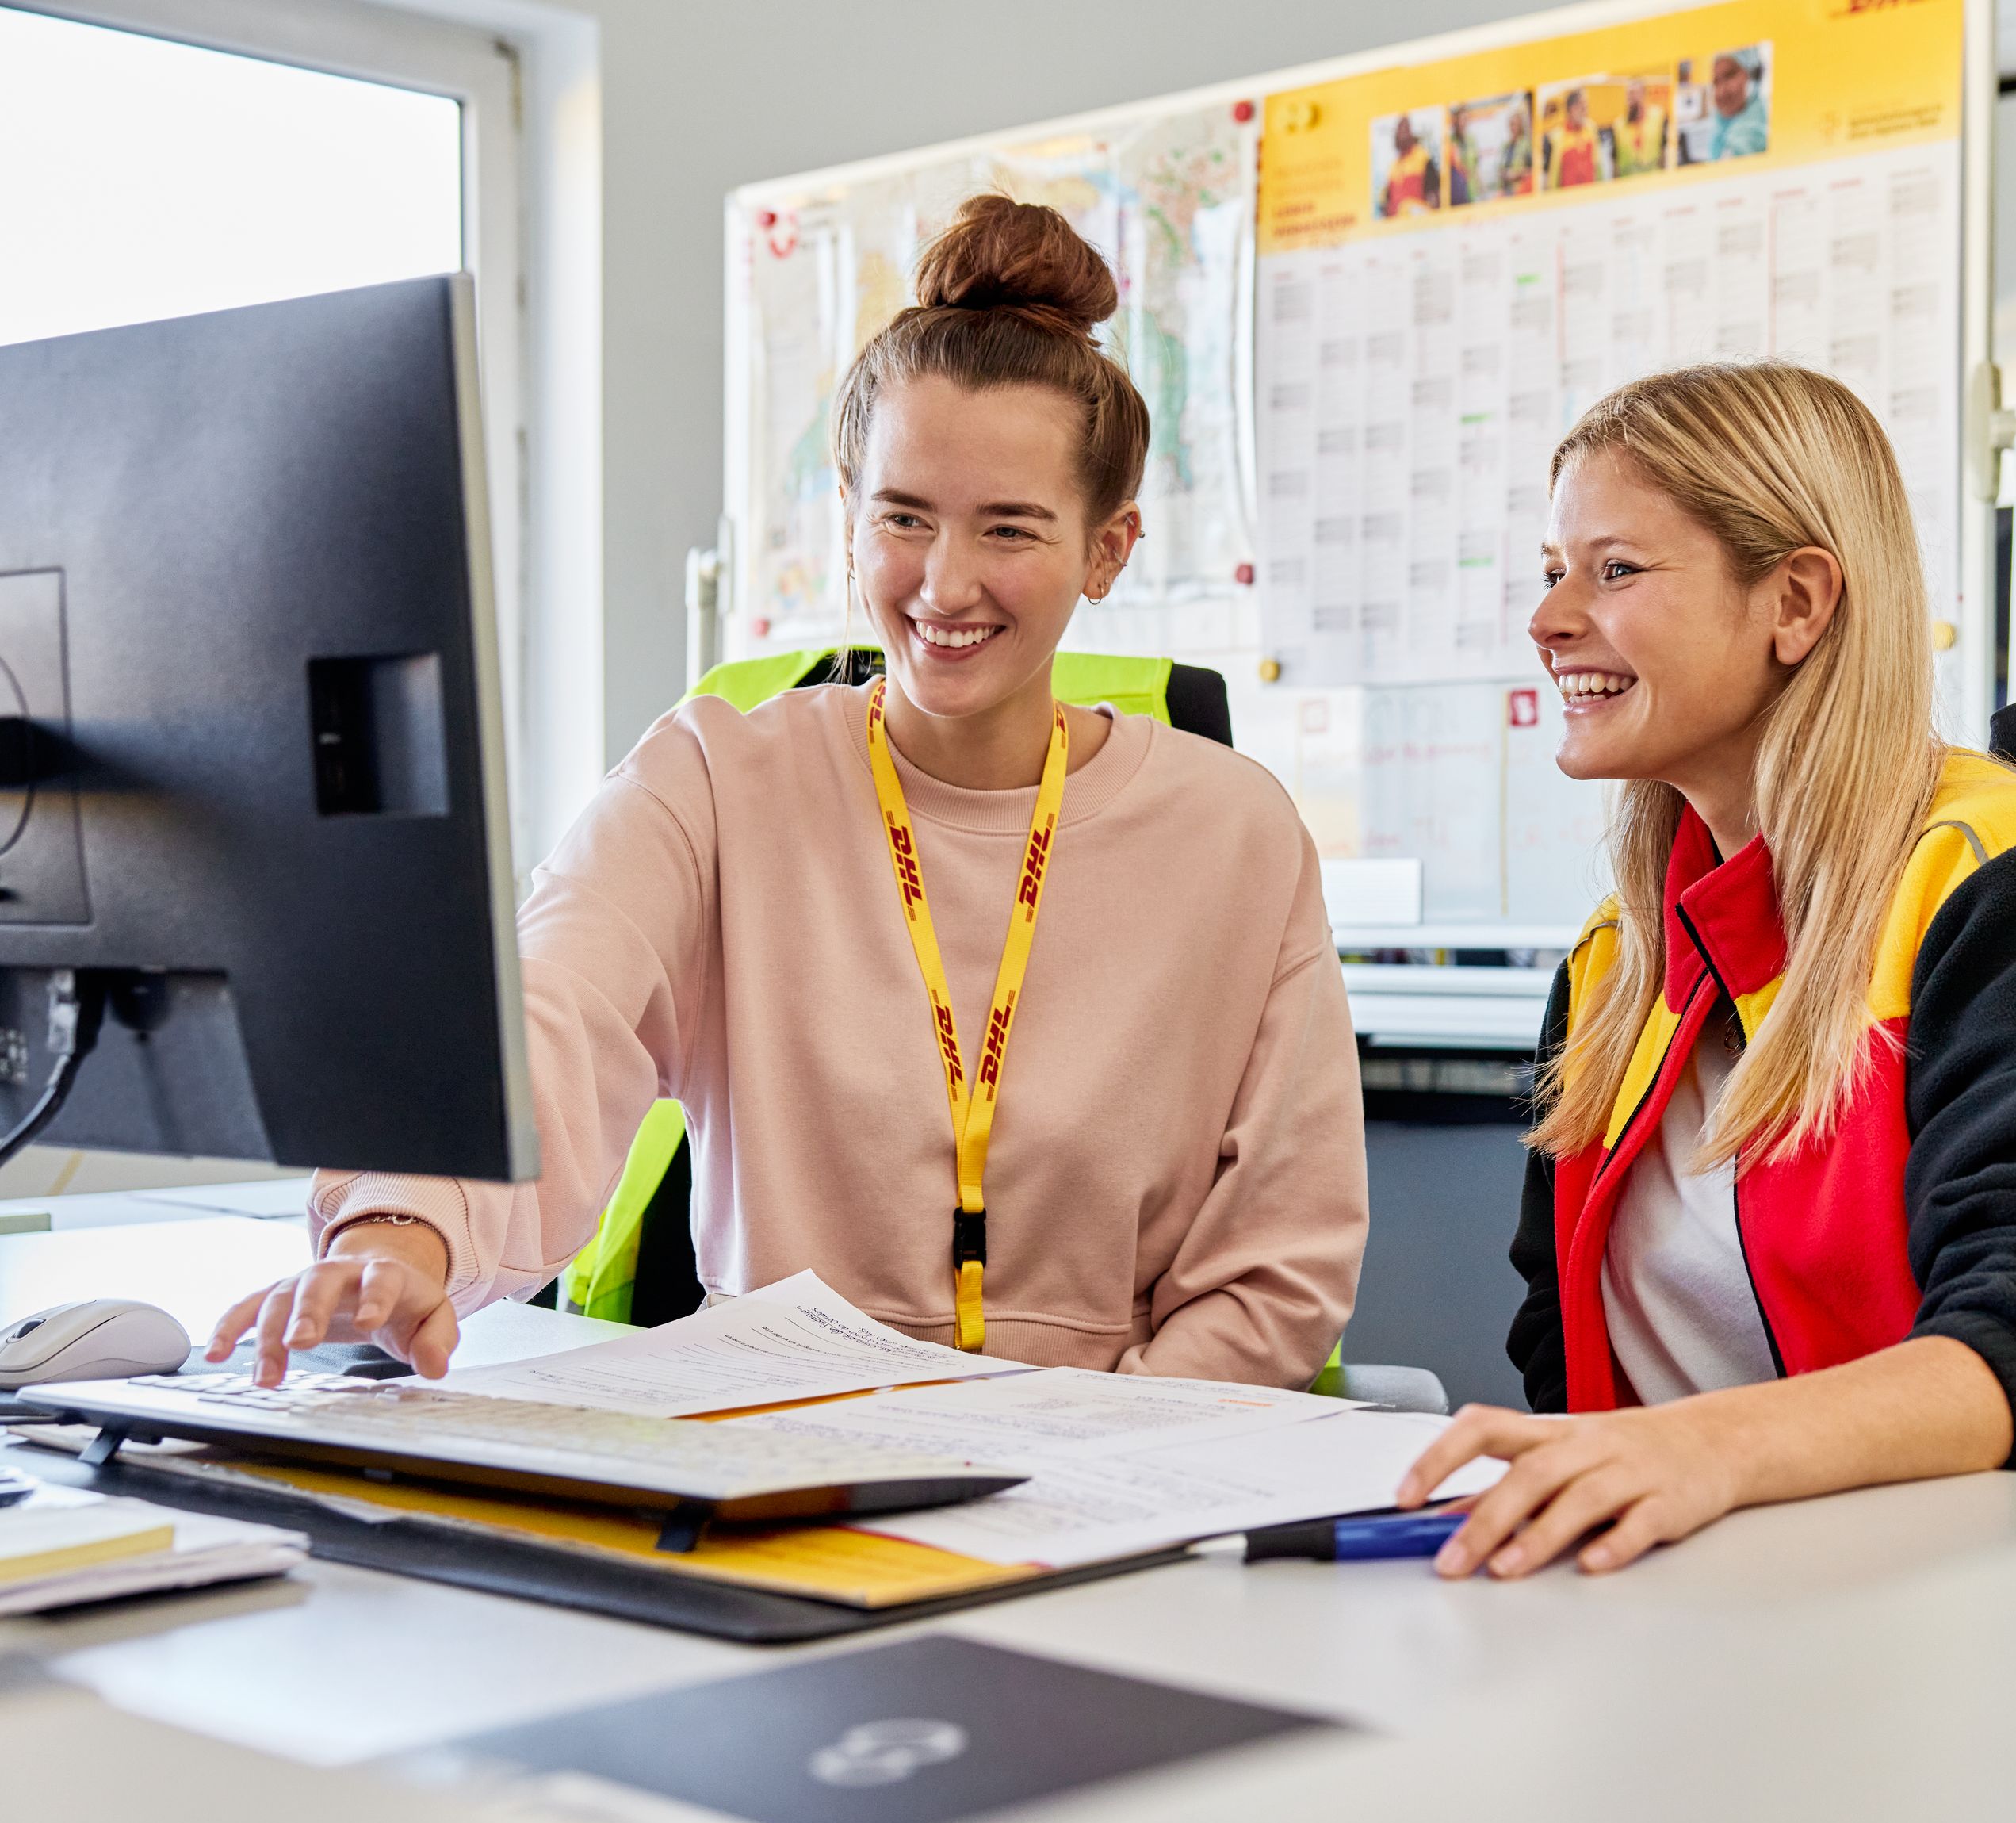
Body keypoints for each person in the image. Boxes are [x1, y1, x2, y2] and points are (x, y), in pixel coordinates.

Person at [208, 196, 1364, 1390]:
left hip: (1128, 1467)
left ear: (1107, 550)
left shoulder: (1237, 833)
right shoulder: (712, 780)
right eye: (903, 517)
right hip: (778, 1441)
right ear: (851, 520)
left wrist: (1110, 1455)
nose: (945, 583)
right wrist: (398, 1232)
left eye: (1010, 529)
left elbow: (1283, 1250)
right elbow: (545, 1019)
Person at [1398, 362, 2016, 1578]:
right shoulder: (1618, 966)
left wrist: (1705, 1452)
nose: (1550, 618)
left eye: (1614, 570)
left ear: (1797, 601)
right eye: (1551, 572)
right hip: (1746, 1611)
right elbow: (1565, 1348)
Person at [1545, 88, 1610, 190]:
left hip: (1591, 194)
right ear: (1572, 109)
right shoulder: (1557, 137)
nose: (1586, 112)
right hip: (1569, 199)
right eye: (1583, 108)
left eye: (1586, 107)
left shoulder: (1591, 128)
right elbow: (1553, 176)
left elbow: (1598, 164)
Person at [1708, 49, 1768, 160]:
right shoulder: (1720, 133)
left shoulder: (1749, 139)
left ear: (1753, 75)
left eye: (1729, 76)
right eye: (1716, 82)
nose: (1722, 91)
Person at [1379, 115, 1441, 217]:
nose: (1403, 134)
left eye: (1406, 129)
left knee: (1406, 208)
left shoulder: (1422, 156)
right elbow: (1386, 201)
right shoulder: (1393, 166)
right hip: (1397, 221)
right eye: (1400, 129)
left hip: (1418, 215)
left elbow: (1435, 192)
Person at [1614, 79, 1670, 177]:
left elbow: (1664, 150)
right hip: (1628, 182)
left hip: (1653, 180)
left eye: (1634, 93)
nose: (1630, 98)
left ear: (1643, 94)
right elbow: (1615, 159)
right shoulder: (1619, 125)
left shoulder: (1658, 117)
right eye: (1628, 94)